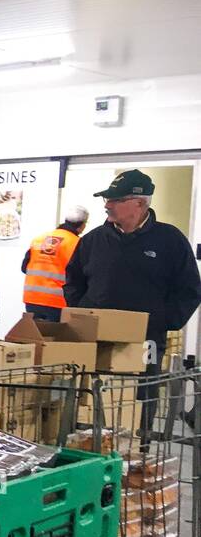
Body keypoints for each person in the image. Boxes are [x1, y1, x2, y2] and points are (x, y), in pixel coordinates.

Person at [64, 169, 201, 440]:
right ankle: (94, 456)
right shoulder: (93, 240)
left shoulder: (170, 241)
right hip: (97, 340)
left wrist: (164, 320)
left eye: (114, 200)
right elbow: (73, 280)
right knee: (94, 399)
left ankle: (139, 457)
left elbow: (190, 289)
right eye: (107, 199)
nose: (107, 205)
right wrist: (83, 311)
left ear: (139, 203)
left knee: (140, 401)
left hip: (145, 342)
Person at [21, 205, 89, 321]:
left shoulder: (40, 238)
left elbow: (24, 267)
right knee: (53, 337)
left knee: (34, 336)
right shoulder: (77, 244)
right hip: (58, 302)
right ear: (82, 226)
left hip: (32, 299)